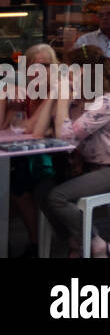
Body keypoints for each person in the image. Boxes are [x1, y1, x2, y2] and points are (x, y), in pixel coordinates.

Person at [31, 46, 110, 258]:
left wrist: (63, 99)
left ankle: (95, 244)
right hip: (95, 168)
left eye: (69, 71)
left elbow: (65, 137)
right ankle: (76, 242)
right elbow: (39, 133)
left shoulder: (105, 102)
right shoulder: (80, 100)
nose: (64, 76)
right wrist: (54, 97)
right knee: (41, 190)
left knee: (58, 196)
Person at [2, 44, 61, 257]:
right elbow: (4, 126)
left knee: (18, 183)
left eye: (45, 65)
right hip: (31, 154)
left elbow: (33, 129)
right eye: (34, 65)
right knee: (12, 180)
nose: (39, 70)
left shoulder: (58, 91)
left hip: (60, 158)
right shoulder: (25, 92)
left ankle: (35, 244)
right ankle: (10, 240)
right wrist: (7, 99)